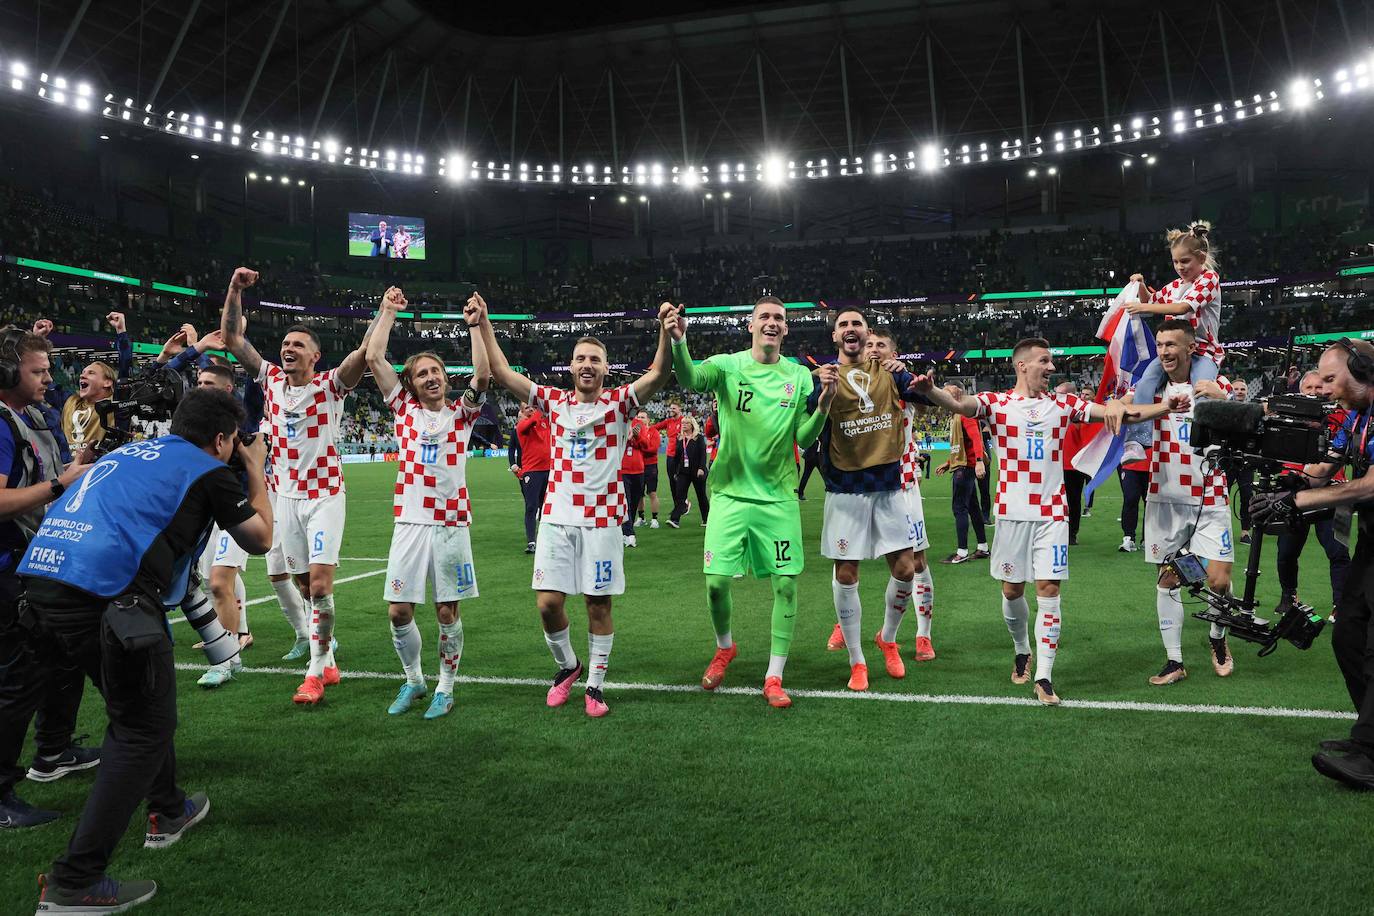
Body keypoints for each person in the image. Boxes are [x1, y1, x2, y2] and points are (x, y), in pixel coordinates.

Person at [25, 388, 273, 913]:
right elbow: (260, 537)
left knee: (138, 710)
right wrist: (257, 469)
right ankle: (75, 882)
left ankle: (168, 808)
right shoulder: (209, 469)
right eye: (233, 443)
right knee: (143, 728)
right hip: (105, 589)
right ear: (224, 438)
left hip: (44, 579)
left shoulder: (128, 451)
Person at [471, 294, 673, 718]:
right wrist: (484, 322)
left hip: (601, 523)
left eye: (594, 359)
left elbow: (658, 373)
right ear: (570, 365)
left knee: (598, 606)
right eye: (580, 358)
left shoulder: (619, 404)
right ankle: (568, 667)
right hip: (558, 519)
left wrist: (664, 330)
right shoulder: (553, 402)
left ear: (605, 367)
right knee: (548, 603)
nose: (587, 365)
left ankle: (595, 687)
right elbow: (504, 372)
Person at [917, 338, 1126, 706]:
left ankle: (1044, 676)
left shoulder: (1063, 404)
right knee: (1012, 591)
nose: (1050, 368)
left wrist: (1161, 405)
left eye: (1051, 361)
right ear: (1022, 365)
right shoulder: (996, 403)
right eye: (1044, 361)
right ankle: (1021, 648)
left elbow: (1113, 412)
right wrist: (931, 389)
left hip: (1052, 514)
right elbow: (958, 403)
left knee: (1048, 589)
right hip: (1012, 514)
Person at [665, 296, 836, 708]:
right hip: (729, 495)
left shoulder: (800, 376)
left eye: (779, 318)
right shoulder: (727, 366)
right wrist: (678, 340)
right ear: (751, 325)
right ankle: (725, 647)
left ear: (786, 328)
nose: (772, 323)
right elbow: (688, 379)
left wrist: (825, 405)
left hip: (778, 499)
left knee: (787, 586)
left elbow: (803, 438)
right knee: (716, 584)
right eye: (765, 317)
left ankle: (774, 676)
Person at [219, 266, 372, 706]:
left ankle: (314, 673)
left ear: (315, 356)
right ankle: (327, 658)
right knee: (305, 586)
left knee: (321, 585)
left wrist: (383, 313)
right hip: (285, 498)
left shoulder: (330, 386)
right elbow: (232, 339)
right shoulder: (269, 380)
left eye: (298, 345)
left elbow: (361, 356)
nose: (288, 348)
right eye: (285, 343)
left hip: (325, 495)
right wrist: (234, 290)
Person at [1254, 339, 1374, 789]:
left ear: (1361, 370)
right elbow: (1325, 467)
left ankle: (1371, 752)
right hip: (1370, 541)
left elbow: (1367, 487)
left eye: (1330, 377)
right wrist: (1289, 481)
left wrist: (1302, 498)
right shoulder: (1357, 418)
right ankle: (1367, 738)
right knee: (1348, 635)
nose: (1322, 387)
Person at [368, 287, 486, 720]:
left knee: (445, 609)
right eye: (422, 374)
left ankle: (446, 687)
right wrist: (388, 311)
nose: (432, 378)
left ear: (445, 378)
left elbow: (484, 374)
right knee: (399, 610)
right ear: (412, 383)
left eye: (436, 371)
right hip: (410, 521)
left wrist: (475, 327)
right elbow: (375, 358)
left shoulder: (463, 413)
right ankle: (414, 679)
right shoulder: (402, 409)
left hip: (451, 522)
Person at [0, 327, 96, 830]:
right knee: (19, 678)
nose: (47, 379)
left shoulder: (30, 417)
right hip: (6, 565)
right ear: (8, 373)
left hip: (35, 558)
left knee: (62, 657)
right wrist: (60, 482)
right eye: (37, 371)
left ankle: (53, 752)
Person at [810, 309, 929, 690]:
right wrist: (814, 384)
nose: (850, 330)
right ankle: (857, 661)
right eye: (842, 325)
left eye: (856, 324)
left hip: (890, 484)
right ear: (834, 337)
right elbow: (803, 421)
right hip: (845, 489)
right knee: (847, 574)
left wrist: (925, 381)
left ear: (866, 333)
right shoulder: (824, 377)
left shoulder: (892, 373)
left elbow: (924, 394)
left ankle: (888, 638)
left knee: (907, 569)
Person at [1124, 321, 1237, 685]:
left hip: (1210, 495)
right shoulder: (1149, 389)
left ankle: (1217, 639)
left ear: (1191, 348)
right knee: (1168, 579)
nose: (1164, 351)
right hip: (1166, 495)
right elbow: (1119, 409)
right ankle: (1174, 661)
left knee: (1218, 581)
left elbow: (1246, 418)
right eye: (1159, 345)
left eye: (1171, 344)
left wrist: (1226, 398)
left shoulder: (1211, 385)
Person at [860, 328, 939, 662]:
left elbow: (927, 398)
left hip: (902, 484)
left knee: (916, 563)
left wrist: (907, 374)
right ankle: (844, 620)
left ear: (894, 353)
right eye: (869, 345)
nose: (875, 350)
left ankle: (922, 634)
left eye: (882, 345)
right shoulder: (853, 382)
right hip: (861, 484)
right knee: (850, 561)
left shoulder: (901, 380)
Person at [1119, 221, 1224, 460]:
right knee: (1145, 382)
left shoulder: (1209, 279)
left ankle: (1207, 441)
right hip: (1175, 352)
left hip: (1203, 352)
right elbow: (1155, 298)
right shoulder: (1176, 285)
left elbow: (1182, 307)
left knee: (1203, 387)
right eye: (1175, 262)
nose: (1179, 267)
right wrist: (1141, 286)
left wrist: (1143, 306)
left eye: (1185, 261)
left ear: (1202, 257)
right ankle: (1138, 440)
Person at [192, 364, 252, 688]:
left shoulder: (240, 419)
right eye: (199, 382)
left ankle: (225, 660)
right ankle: (238, 644)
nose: (201, 387)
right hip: (205, 509)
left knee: (219, 582)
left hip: (237, 508)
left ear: (228, 389)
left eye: (209, 383)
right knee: (213, 581)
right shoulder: (194, 422)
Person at [1274, 371, 1350, 617]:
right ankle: (1289, 596)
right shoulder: (1287, 414)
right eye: (1309, 387)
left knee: (1339, 551)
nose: (1315, 391)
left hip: (1335, 491)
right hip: (1293, 490)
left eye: (1320, 386)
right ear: (1300, 388)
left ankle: (1341, 604)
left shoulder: (1342, 415)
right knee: (1287, 551)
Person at [55, 312, 131, 457]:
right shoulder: (69, 401)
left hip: (102, 473)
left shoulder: (115, 405)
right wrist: (37, 339)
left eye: (91, 373)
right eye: (83, 372)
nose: (82, 375)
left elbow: (125, 365)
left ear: (107, 382)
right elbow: (40, 380)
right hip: (68, 475)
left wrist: (121, 331)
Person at [934, 383, 989, 565]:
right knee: (973, 508)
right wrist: (949, 462)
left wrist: (980, 461)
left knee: (960, 509)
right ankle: (982, 547)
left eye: (947, 392)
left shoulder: (964, 414)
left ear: (957, 394)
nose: (943, 395)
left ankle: (962, 551)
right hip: (964, 465)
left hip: (965, 468)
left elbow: (976, 438)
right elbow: (964, 445)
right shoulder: (956, 415)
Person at [1059, 381, 1100, 547]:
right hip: (1062, 462)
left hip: (1074, 463)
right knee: (1065, 500)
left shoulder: (1079, 411)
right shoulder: (1059, 409)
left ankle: (1071, 534)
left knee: (1072, 500)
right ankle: (1065, 533)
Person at [509, 403, 551, 554]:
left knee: (547, 507)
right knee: (532, 506)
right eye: (527, 407)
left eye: (533, 406)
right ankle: (531, 541)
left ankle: (547, 539)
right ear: (522, 411)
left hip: (549, 470)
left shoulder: (545, 423)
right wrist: (541, 407)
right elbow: (535, 418)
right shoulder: (522, 426)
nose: (531, 409)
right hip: (532, 472)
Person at [669, 415, 710, 526]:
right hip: (683, 472)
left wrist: (701, 468)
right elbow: (677, 456)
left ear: (692, 425)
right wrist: (675, 471)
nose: (684, 425)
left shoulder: (698, 438)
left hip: (697, 471)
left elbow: (703, 454)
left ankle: (706, 519)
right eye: (683, 423)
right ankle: (674, 519)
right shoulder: (680, 438)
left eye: (686, 423)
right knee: (680, 495)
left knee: (701, 496)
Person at [620, 409, 646, 548]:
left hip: (638, 469)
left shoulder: (639, 424)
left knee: (634, 502)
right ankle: (629, 533)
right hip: (623, 469)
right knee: (627, 501)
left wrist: (637, 437)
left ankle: (626, 530)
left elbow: (646, 445)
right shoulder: (618, 421)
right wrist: (627, 437)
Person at [632, 409, 663, 527]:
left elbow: (653, 449)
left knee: (652, 492)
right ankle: (641, 517)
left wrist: (641, 448)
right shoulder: (635, 431)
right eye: (638, 417)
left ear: (648, 420)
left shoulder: (653, 431)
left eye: (643, 417)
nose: (640, 420)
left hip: (650, 465)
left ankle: (654, 519)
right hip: (638, 466)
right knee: (639, 494)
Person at [1117, 447, 1150, 553]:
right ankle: (1128, 537)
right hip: (1130, 463)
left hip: (1152, 464)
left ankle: (1148, 538)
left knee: (1150, 504)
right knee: (1130, 499)